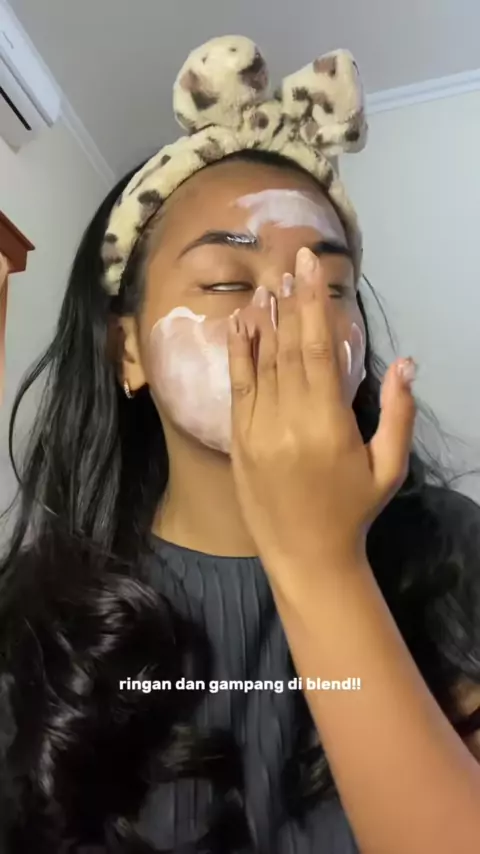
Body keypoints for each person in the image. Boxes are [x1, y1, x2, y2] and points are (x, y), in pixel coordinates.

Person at [0, 34, 480, 854]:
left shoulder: (448, 548)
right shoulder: (33, 627)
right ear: (127, 350)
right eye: (228, 282)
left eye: (332, 287)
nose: (296, 317)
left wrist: (323, 562)